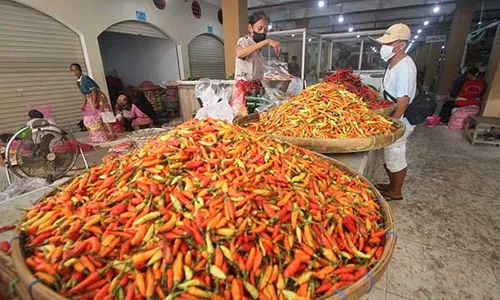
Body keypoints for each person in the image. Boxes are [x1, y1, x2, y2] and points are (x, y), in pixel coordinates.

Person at [375, 23, 417, 201]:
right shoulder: (394, 63)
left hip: (400, 120)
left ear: (402, 45)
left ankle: (396, 191)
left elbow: (403, 102)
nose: (385, 47)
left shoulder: (406, 67)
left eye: (390, 43)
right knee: (389, 156)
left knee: (396, 155)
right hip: (393, 117)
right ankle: (391, 186)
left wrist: (391, 124)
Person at [232, 11, 281, 115]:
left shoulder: (258, 50)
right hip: (243, 92)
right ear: (250, 28)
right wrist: (266, 42)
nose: (263, 32)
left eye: (265, 30)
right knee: (242, 120)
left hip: (256, 91)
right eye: (260, 28)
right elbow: (240, 54)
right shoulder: (244, 41)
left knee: (255, 120)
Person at [70, 63, 116, 139]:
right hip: (91, 99)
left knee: (104, 115)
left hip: (98, 97)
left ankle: (112, 134)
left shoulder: (85, 79)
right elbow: (84, 94)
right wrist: (83, 104)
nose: (75, 72)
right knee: (99, 117)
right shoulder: (78, 82)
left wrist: (95, 102)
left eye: (76, 70)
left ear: (80, 70)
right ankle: (106, 134)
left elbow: (93, 90)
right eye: (73, 71)